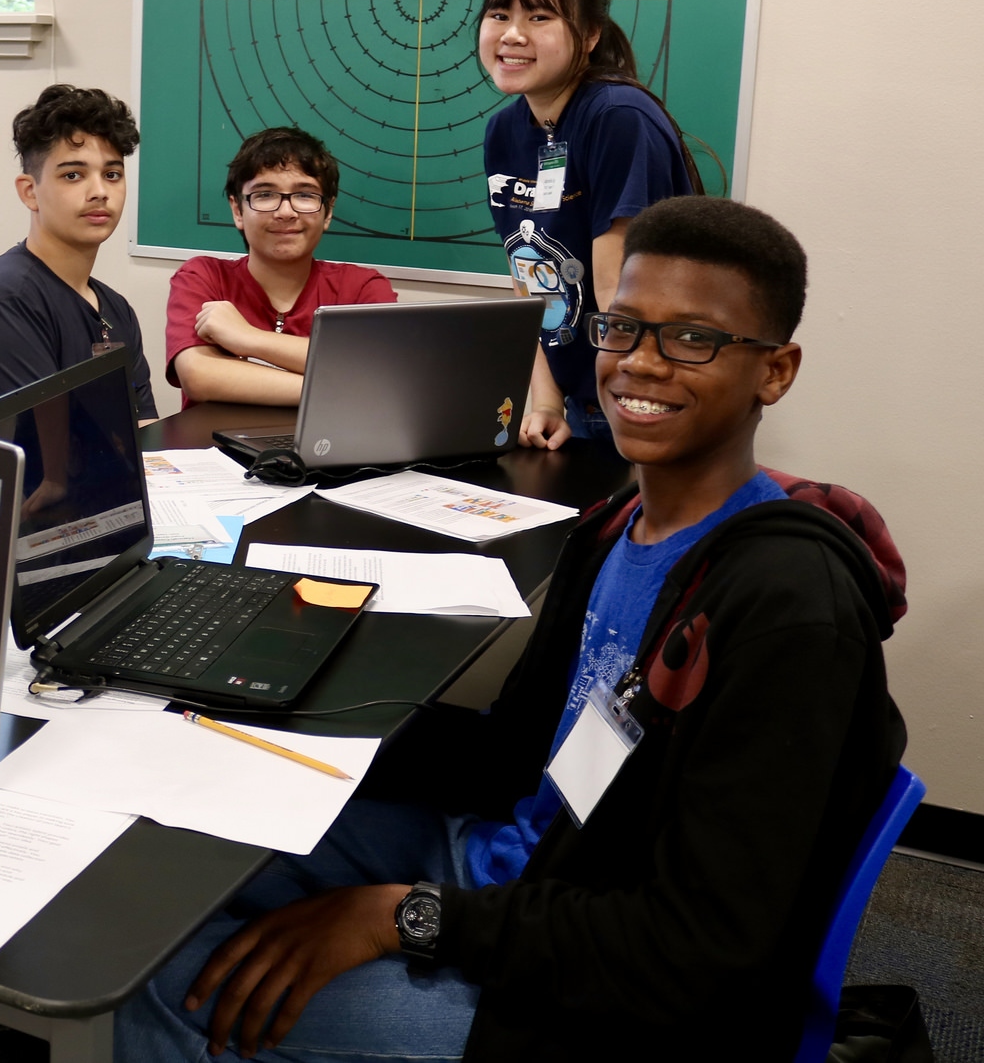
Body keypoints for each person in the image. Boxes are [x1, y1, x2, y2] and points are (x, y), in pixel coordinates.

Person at [116, 196, 907, 1062]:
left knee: (152, 982)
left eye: (693, 339)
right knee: (164, 863)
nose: (641, 363)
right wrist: (282, 708)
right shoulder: (614, 530)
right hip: (520, 864)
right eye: (623, 328)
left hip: (597, 995)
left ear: (775, 371)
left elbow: (700, 950)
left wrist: (404, 916)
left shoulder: (786, 609)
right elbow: (516, 755)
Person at [478, 0, 701, 448]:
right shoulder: (504, 131)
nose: (512, 35)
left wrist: (617, 413)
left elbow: (620, 293)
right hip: (579, 403)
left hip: (639, 397)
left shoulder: (617, 116)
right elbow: (527, 278)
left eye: (539, 17)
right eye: (499, 15)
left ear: (591, 33)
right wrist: (548, 401)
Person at [0, 85, 155, 430]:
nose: (100, 192)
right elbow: (46, 454)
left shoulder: (116, 309)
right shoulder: (5, 300)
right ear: (30, 192)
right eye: (73, 175)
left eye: (112, 174)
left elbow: (144, 429)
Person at [165, 127, 396, 406]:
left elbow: (384, 372)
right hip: (214, 437)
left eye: (305, 195)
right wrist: (348, 385)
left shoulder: (361, 289)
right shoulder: (203, 278)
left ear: (328, 212)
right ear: (237, 210)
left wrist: (248, 338)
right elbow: (199, 376)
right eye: (265, 195)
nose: (286, 212)